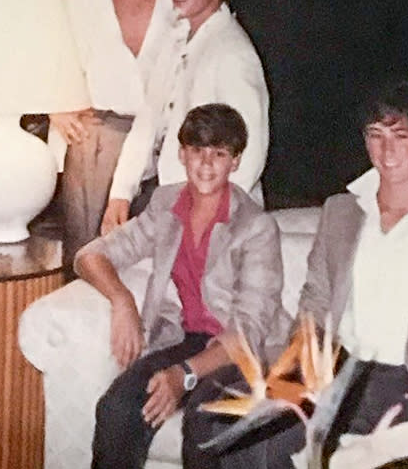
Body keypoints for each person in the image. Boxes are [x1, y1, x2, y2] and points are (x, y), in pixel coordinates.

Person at [199, 80, 408, 468]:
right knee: (245, 437)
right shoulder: (339, 213)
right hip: (339, 376)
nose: (386, 150)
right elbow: (314, 303)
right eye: (375, 136)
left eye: (400, 135)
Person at [75, 103, 285, 469]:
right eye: (197, 151)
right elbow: (89, 256)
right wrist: (122, 300)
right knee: (118, 408)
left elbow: (249, 332)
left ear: (235, 162)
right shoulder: (166, 204)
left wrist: (184, 375)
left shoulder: (256, 227)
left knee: (206, 421)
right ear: (181, 153)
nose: (206, 164)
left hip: (244, 353)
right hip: (186, 337)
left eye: (219, 154)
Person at [99, 0, 269, 236]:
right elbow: (148, 120)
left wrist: (205, 223)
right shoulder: (177, 37)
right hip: (174, 207)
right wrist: (120, 193)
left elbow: (250, 156)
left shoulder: (232, 54)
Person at [49, 0, 177, 256]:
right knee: (85, 255)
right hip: (94, 138)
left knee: (147, 257)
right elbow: (50, 43)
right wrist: (54, 103)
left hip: (161, 139)